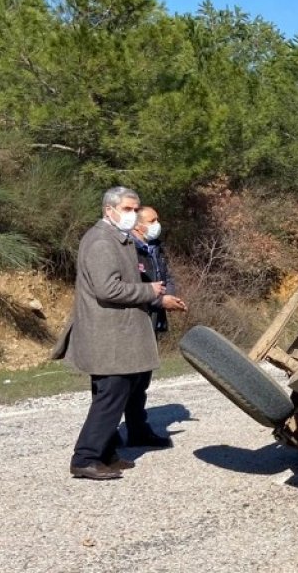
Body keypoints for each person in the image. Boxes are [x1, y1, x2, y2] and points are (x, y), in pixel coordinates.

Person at [51, 186, 165, 481]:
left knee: (111, 394)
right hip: (108, 334)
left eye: (136, 209)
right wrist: (148, 290)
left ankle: (106, 452)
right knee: (111, 395)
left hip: (116, 333)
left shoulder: (119, 239)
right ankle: (86, 457)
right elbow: (107, 288)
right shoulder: (102, 241)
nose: (134, 214)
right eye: (128, 209)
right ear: (109, 210)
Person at [126, 205, 187, 448]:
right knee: (127, 381)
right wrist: (159, 300)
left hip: (154, 318)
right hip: (135, 320)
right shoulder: (128, 249)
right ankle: (111, 434)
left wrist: (168, 299)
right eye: (152, 220)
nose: (157, 224)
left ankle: (137, 430)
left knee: (142, 380)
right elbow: (130, 286)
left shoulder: (155, 247)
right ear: (138, 224)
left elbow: (166, 277)